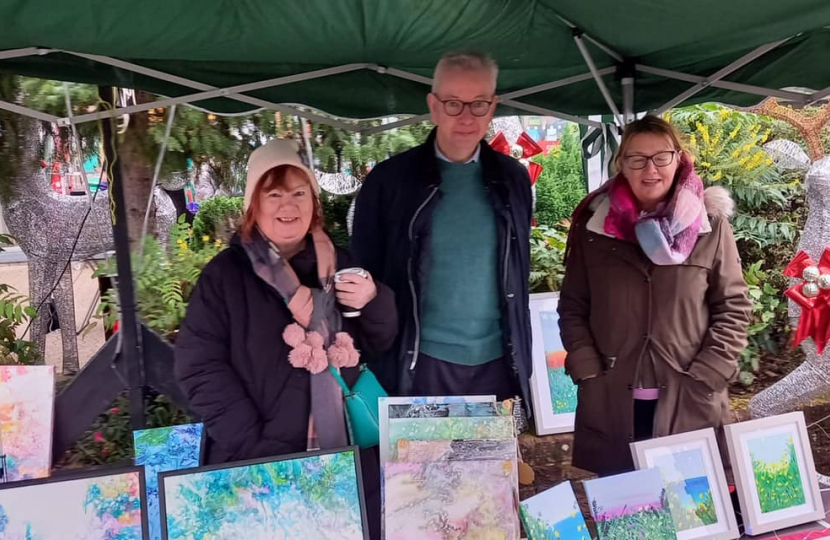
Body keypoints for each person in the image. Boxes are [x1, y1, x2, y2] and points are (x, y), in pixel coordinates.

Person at [174, 139, 397, 539]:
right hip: (258, 462)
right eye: (273, 194)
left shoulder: (342, 265)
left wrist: (375, 299)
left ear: (313, 201)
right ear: (253, 206)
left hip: (344, 458)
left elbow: (378, 344)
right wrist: (256, 448)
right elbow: (198, 367)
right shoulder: (225, 276)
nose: (287, 206)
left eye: (298, 193)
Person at [559, 116, 752, 476]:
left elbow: (734, 305)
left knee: (693, 514)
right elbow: (573, 305)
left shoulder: (709, 226)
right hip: (612, 393)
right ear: (622, 164)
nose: (650, 169)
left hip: (689, 393)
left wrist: (712, 370)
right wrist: (586, 367)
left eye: (661, 157)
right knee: (628, 513)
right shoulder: (593, 228)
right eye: (637, 159)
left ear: (679, 159)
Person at [351, 51, 533, 408]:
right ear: (433, 106)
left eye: (478, 104)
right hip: (419, 365)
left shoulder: (513, 179)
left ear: (493, 106)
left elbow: (517, 272)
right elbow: (365, 276)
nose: (466, 116)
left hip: (498, 365)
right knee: (421, 466)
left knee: (491, 466)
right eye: (453, 104)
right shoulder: (389, 182)